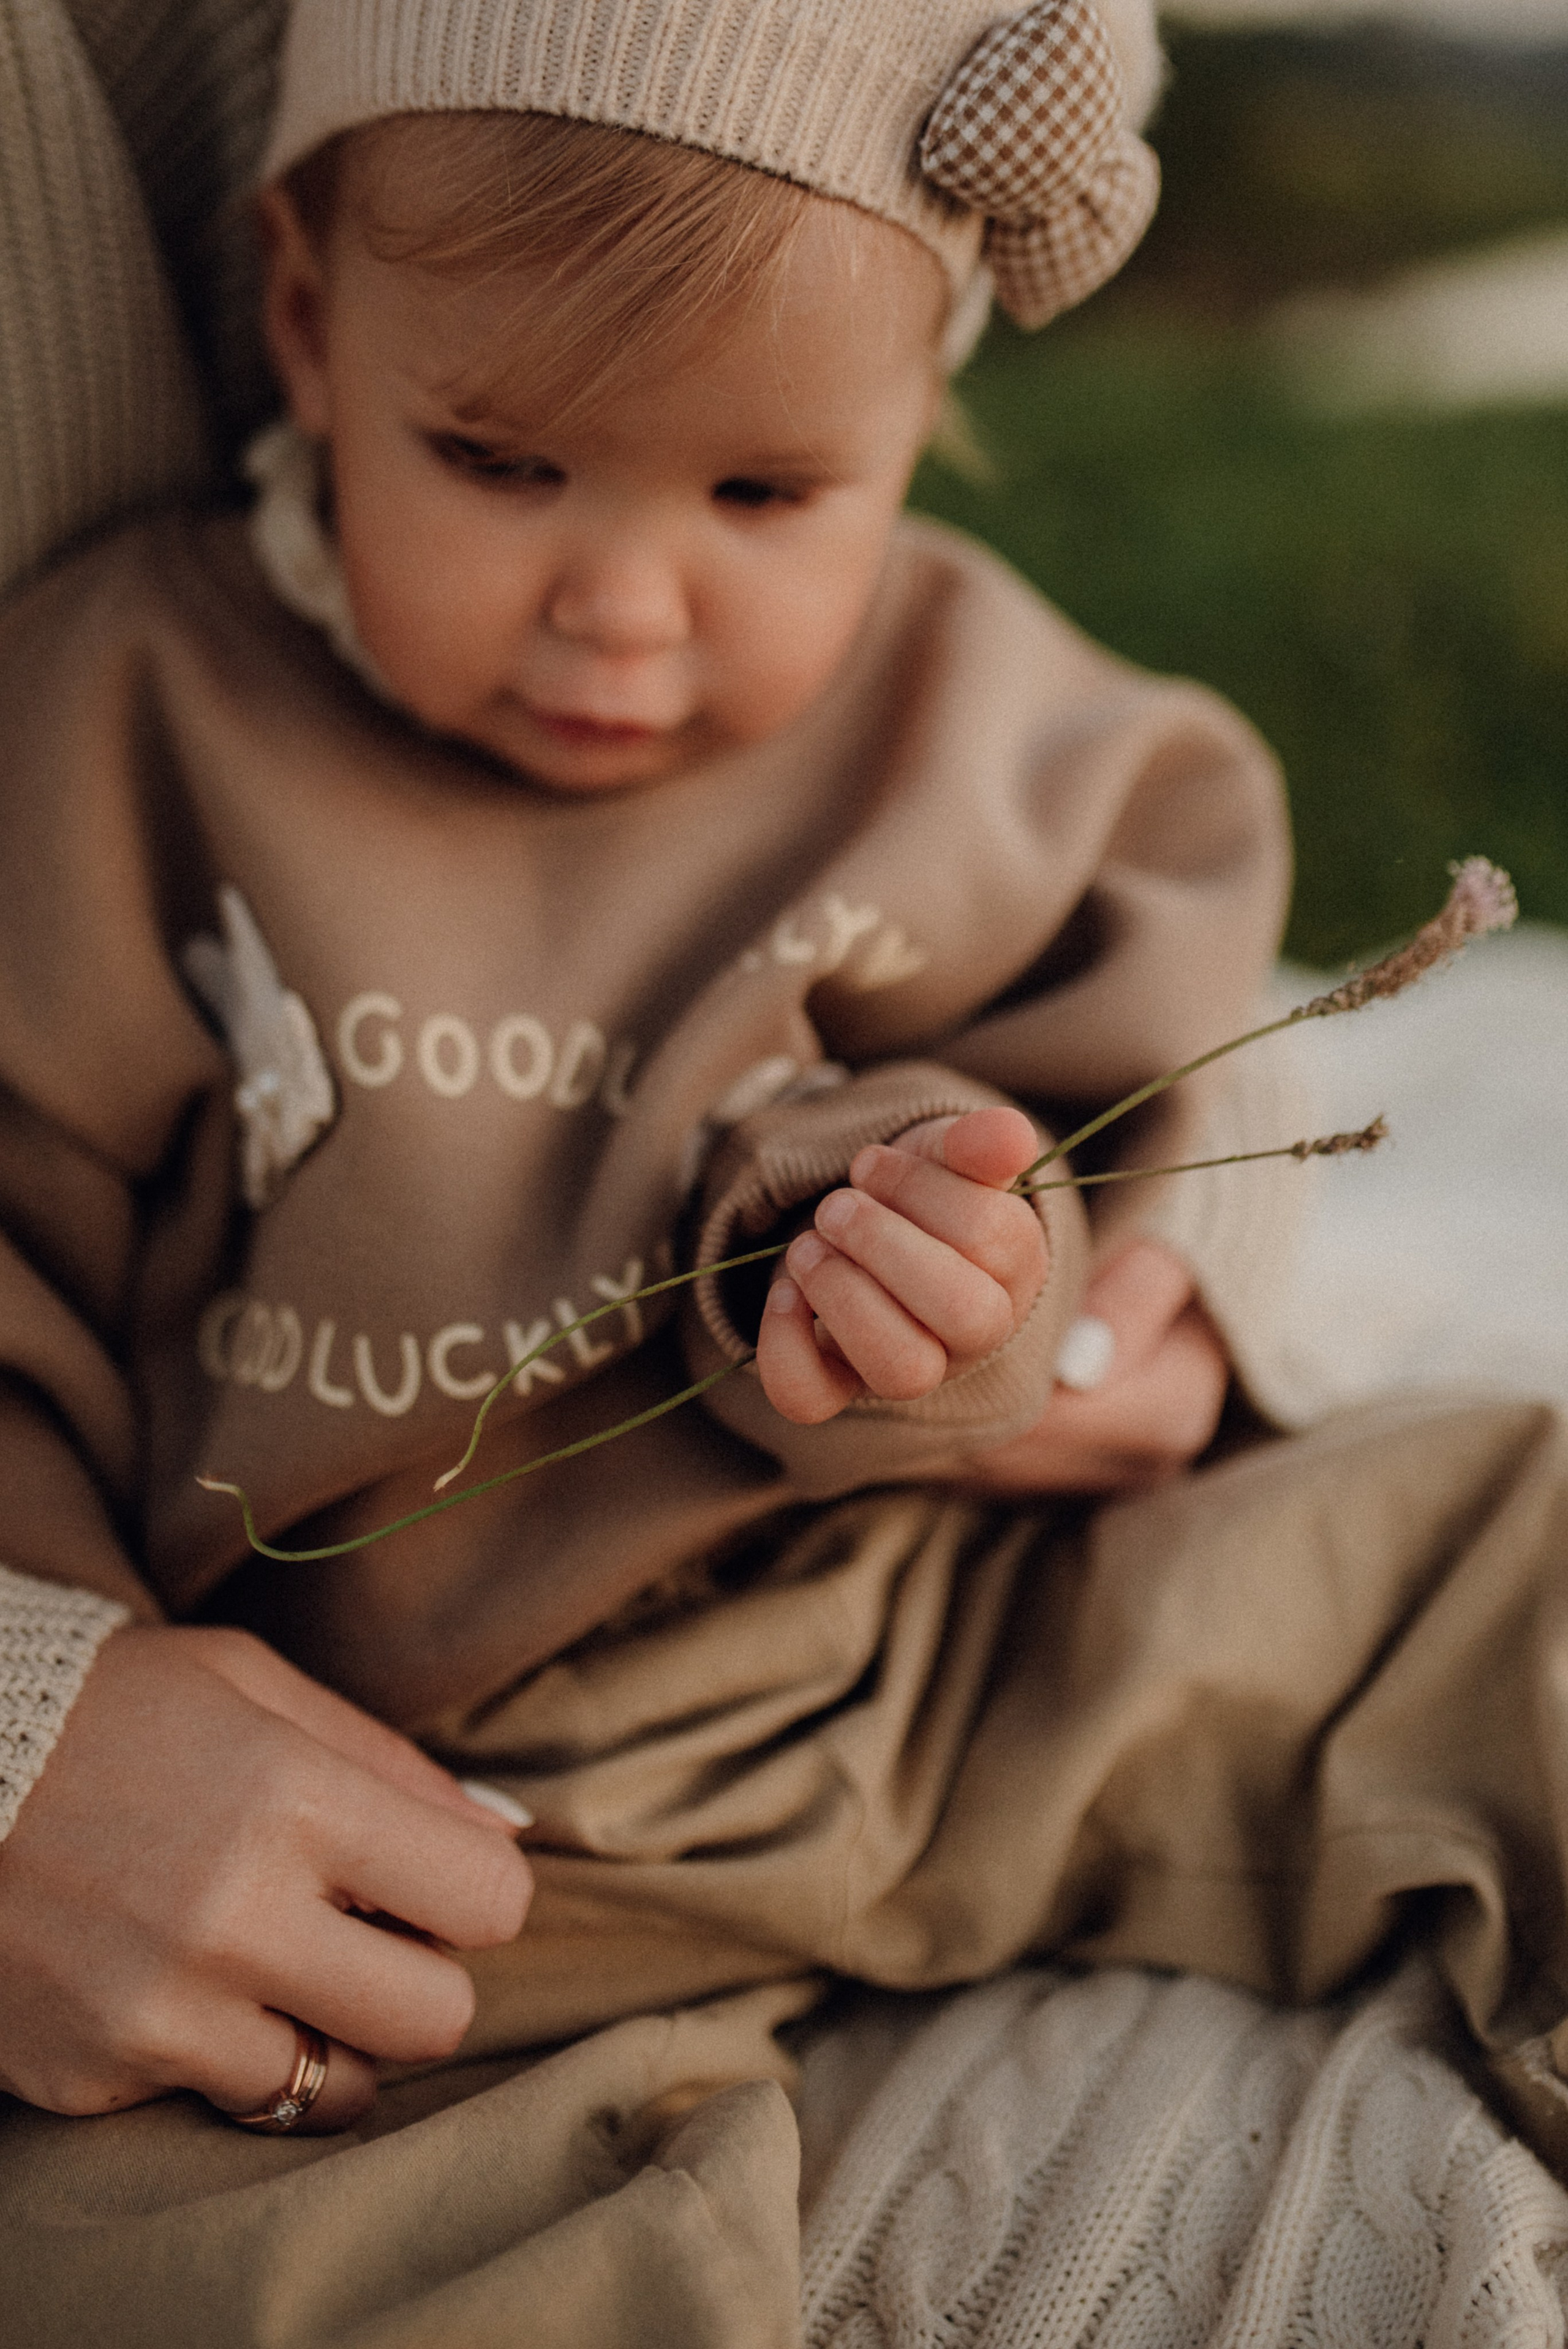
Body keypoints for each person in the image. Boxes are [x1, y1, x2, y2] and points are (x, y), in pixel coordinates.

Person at [2, 2, 1566, 2340]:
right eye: (502, 460)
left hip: (940, 1634)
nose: (624, 607)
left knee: (1495, 1566)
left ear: (926, 394)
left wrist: (975, 1268)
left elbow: (1133, 1097)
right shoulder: (125, 720)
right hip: (417, 1835)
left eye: (760, 497)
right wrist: (61, 1671)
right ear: (311, 325)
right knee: (222, 2247)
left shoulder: (974, 714)